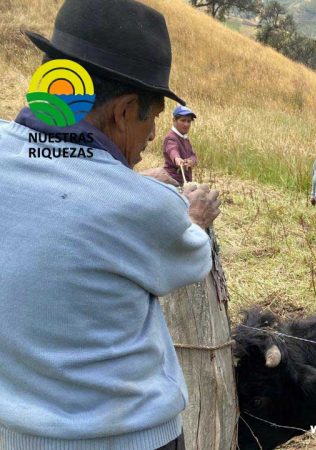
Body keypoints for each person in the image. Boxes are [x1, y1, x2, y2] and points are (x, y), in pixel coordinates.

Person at [0, 1, 221, 449]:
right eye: (153, 118)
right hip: (125, 436)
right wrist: (194, 215)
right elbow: (192, 253)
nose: (153, 136)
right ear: (122, 112)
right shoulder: (149, 208)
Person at [163, 105, 198, 186]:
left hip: (184, 181)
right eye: (183, 120)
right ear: (174, 120)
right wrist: (177, 159)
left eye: (189, 121)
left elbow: (193, 155)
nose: (186, 124)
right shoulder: (171, 137)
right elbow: (172, 150)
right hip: (172, 181)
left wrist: (191, 161)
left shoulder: (184, 138)